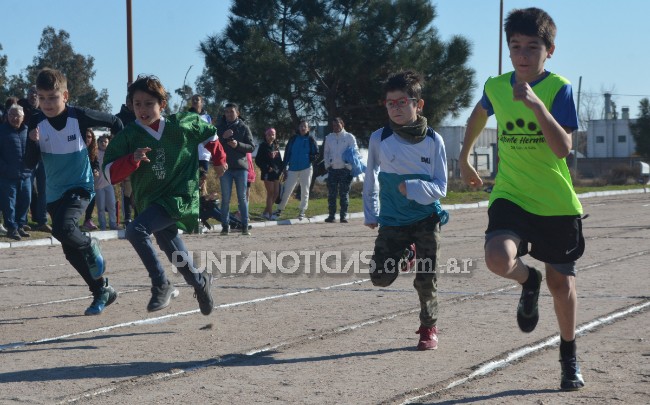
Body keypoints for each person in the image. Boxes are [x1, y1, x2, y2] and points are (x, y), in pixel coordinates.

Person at [459, 8, 585, 391]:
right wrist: (464, 158)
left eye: (533, 47)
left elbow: (563, 148)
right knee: (497, 258)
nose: (523, 55)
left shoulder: (558, 88)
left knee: (561, 286)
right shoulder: (497, 86)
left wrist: (536, 106)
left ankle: (569, 354)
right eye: (516, 47)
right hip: (510, 194)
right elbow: (477, 117)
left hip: (555, 203)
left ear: (550, 50)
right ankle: (527, 281)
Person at [102, 74, 227, 315]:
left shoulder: (180, 125)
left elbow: (210, 134)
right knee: (169, 245)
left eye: (149, 103)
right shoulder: (128, 136)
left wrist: (220, 160)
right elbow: (109, 173)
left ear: (163, 105)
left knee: (135, 230)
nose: (143, 110)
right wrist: (132, 160)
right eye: (137, 104)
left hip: (180, 196)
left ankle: (161, 282)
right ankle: (200, 281)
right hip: (151, 200)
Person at [24, 68, 123, 315]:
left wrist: (117, 155)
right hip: (54, 193)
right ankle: (102, 290)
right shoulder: (36, 121)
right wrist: (33, 143)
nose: (47, 103)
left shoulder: (78, 116)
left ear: (65, 95)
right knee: (70, 250)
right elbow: (28, 163)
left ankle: (90, 244)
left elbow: (116, 122)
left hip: (80, 186)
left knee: (64, 229)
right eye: (42, 97)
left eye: (52, 97)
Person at [363, 70, 448, 351]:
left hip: (426, 219)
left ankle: (428, 327)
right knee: (380, 277)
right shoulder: (379, 138)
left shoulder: (434, 141)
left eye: (402, 102)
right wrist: (370, 213)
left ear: (418, 104)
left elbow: (441, 187)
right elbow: (371, 176)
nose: (396, 108)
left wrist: (412, 188)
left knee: (426, 279)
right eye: (390, 103)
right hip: (392, 220)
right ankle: (406, 252)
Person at [215, 102, 255, 236]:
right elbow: (214, 144)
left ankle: (244, 225)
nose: (228, 114)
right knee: (225, 198)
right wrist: (223, 137)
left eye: (231, 111)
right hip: (225, 167)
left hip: (240, 167)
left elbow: (251, 147)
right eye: (226, 112)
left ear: (237, 113)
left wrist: (237, 145)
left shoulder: (244, 127)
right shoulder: (219, 127)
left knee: (242, 198)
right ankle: (225, 226)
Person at [274, 120, 319, 220]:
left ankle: (302, 210)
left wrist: (310, 159)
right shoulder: (293, 139)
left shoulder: (311, 139)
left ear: (308, 129)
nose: (303, 128)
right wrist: (284, 167)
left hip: (306, 169)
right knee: (286, 190)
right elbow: (287, 153)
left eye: (305, 126)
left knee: (305, 190)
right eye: (301, 126)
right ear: (298, 128)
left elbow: (316, 153)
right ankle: (279, 209)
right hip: (292, 168)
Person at [0, 104, 32, 240]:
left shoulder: (28, 131)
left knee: (26, 201)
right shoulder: (1, 131)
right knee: (9, 205)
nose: (14, 118)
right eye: (11, 115)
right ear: (7, 116)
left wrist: (31, 165)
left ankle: (20, 226)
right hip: (7, 176)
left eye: (17, 115)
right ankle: (11, 228)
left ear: (23, 117)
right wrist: (4, 169)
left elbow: (34, 150)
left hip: (26, 175)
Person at [24, 86, 51, 232]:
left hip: (43, 156)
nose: (33, 96)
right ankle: (22, 220)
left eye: (36, 94)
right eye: (31, 93)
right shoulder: (22, 110)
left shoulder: (44, 113)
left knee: (43, 191)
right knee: (26, 191)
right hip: (28, 156)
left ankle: (42, 220)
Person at [323, 117, 358, 223]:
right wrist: (327, 165)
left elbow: (355, 151)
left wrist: (349, 165)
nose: (335, 127)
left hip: (345, 170)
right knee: (331, 194)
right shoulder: (329, 137)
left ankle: (343, 216)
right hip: (333, 170)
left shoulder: (349, 137)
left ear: (342, 124)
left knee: (344, 194)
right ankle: (331, 216)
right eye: (333, 125)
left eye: (337, 125)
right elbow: (326, 152)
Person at [115, 93, 136, 225]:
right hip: (125, 158)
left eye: (132, 101)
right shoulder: (118, 118)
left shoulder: (141, 116)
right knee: (127, 189)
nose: (130, 103)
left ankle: (140, 214)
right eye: (128, 101)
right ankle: (127, 217)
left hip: (140, 156)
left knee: (138, 189)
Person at [255, 127, 283, 220]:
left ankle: (265, 212)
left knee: (276, 193)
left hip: (276, 173)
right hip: (267, 173)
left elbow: (279, 160)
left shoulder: (276, 146)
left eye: (273, 134)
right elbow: (258, 160)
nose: (271, 136)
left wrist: (281, 169)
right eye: (269, 134)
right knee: (270, 193)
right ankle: (270, 215)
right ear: (266, 135)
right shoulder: (263, 146)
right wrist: (267, 168)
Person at [94, 135, 118, 230]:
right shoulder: (95, 153)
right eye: (101, 141)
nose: (103, 143)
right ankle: (103, 226)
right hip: (98, 185)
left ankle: (113, 224)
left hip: (109, 184)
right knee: (101, 208)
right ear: (98, 143)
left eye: (105, 142)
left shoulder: (111, 154)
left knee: (112, 205)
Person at [82, 129, 99, 231]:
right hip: (77, 179)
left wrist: (96, 170)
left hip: (89, 179)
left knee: (92, 197)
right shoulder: (77, 148)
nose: (87, 139)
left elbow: (96, 164)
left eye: (89, 137)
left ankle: (87, 220)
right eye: (85, 136)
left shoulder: (93, 151)